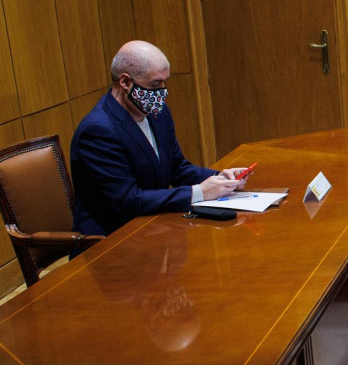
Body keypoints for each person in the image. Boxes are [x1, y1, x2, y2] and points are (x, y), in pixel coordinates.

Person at [71, 40, 251, 237]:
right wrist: (199, 192)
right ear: (125, 82)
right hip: (112, 240)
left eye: (165, 82)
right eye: (155, 84)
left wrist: (220, 178)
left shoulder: (158, 113)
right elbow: (127, 201)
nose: (162, 93)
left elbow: (177, 167)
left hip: (155, 227)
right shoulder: (98, 131)